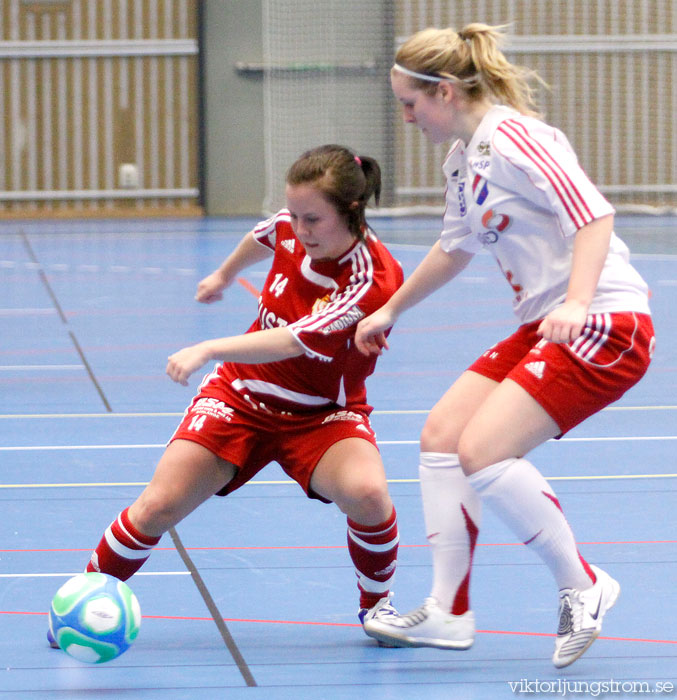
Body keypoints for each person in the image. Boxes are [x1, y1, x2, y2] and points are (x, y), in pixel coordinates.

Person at [354, 24, 655, 668]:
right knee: (441, 436)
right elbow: (454, 247)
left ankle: (584, 585)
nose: (405, 118)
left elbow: (593, 215)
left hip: (604, 320)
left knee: (483, 451)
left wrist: (576, 301)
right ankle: (448, 613)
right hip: (545, 322)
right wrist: (390, 308)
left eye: (409, 103)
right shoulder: (464, 159)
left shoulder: (520, 138)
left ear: (443, 92)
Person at [49, 145, 405, 648]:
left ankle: (377, 607)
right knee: (159, 505)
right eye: (297, 215)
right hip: (240, 398)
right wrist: (222, 274)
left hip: (321, 415)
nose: (300, 231)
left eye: (313, 220)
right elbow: (263, 233)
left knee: (369, 496)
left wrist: (208, 346)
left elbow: (293, 339)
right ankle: (78, 606)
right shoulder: (291, 225)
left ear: (351, 212)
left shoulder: (372, 277)